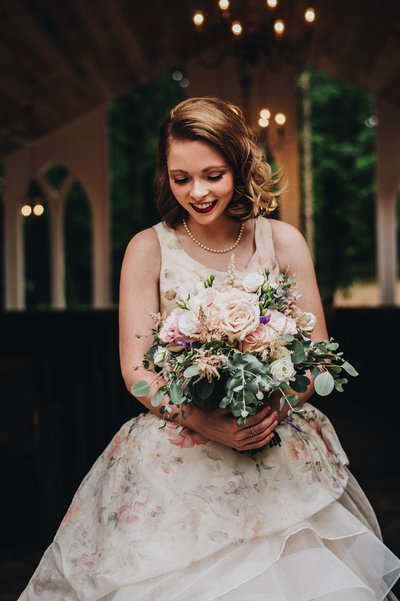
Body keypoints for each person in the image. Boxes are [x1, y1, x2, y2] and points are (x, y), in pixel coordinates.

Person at [19, 97, 399, 601]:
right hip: (177, 446)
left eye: (212, 175)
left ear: (239, 167)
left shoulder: (282, 242)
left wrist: (271, 409)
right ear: (166, 176)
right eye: (181, 178)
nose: (196, 192)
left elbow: (319, 356)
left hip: (273, 445)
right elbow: (135, 369)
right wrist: (203, 420)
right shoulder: (147, 248)